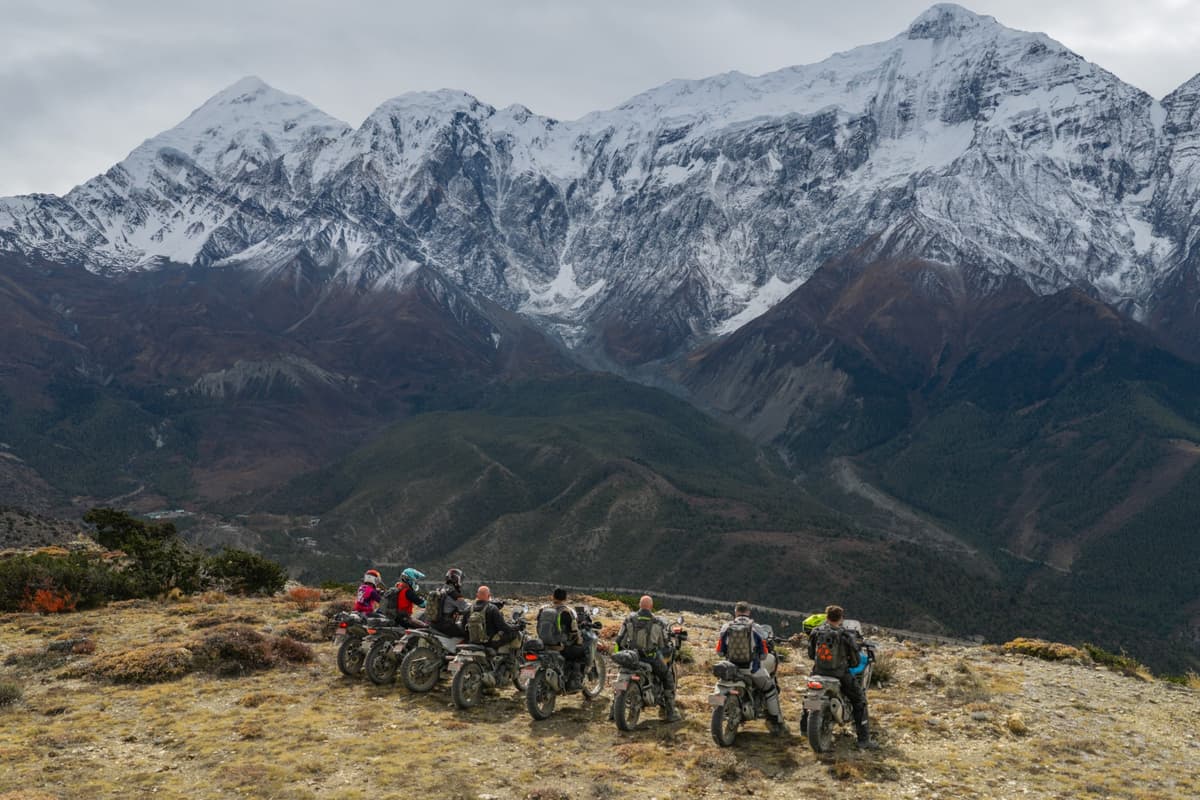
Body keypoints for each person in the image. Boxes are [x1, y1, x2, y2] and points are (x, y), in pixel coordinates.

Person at [808, 604, 876, 749]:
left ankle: (804, 727)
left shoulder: (816, 631)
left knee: (810, 698)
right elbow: (855, 661)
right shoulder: (845, 635)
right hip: (839, 674)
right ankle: (863, 739)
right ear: (841, 618)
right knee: (859, 700)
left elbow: (810, 654)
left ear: (826, 617)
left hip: (818, 672)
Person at [716, 600, 787, 733]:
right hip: (752, 670)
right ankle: (777, 722)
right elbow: (764, 655)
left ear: (736, 612)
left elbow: (719, 652)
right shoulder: (756, 628)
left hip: (731, 670)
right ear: (748, 612)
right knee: (770, 689)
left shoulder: (726, 627)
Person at [614, 595, 681, 722]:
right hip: (650, 659)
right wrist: (668, 648)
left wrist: (621, 655)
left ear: (639, 605)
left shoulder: (629, 619)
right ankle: (670, 712)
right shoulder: (657, 622)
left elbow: (619, 641)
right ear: (651, 607)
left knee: (620, 679)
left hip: (631, 658)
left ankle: (613, 711)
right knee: (667, 677)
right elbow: (663, 645)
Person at [536, 587, 587, 689]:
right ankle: (575, 681)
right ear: (565, 598)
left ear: (553, 597)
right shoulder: (566, 611)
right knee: (581, 652)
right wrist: (579, 641)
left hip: (542, 643)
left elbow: (538, 625)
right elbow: (574, 631)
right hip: (559, 646)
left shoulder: (543, 609)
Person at [463, 585, 521, 651]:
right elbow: (503, 627)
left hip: (472, 642)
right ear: (489, 595)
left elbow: (463, 628)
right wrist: (516, 627)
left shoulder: (467, 609)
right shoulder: (492, 608)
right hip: (490, 643)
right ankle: (509, 657)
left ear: (477, 595)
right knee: (514, 633)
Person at [427, 568, 470, 639]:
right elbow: (467, 607)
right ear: (457, 579)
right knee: (468, 632)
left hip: (434, 624)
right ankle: (461, 649)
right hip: (446, 626)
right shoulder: (454, 594)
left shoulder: (440, 590)